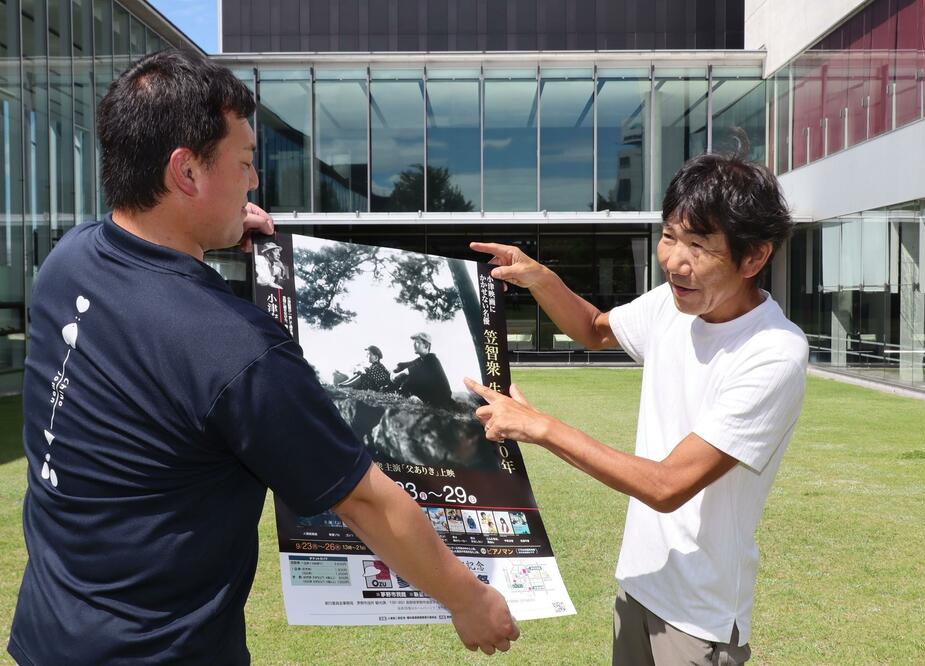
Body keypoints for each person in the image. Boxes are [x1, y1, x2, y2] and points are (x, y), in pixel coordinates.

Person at [8, 49, 518, 665]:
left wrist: (214, 234)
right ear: (186, 173)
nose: (254, 182)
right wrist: (468, 599)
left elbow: (152, 300)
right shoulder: (235, 349)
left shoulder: (70, 259)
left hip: (48, 634)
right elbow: (362, 500)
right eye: (246, 163)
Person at [466, 152, 808, 665]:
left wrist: (542, 428)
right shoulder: (673, 304)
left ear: (753, 257)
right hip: (640, 583)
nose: (674, 261)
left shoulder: (773, 351)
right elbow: (594, 328)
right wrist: (539, 278)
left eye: (697, 245)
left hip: (699, 615)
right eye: (670, 236)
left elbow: (667, 485)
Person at [392, 332, 454, 408]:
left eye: (417, 343)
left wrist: (398, 375)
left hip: (441, 400)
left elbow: (410, 370)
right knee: (409, 377)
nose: (414, 345)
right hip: (431, 398)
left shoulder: (432, 359)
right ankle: (403, 393)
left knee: (411, 377)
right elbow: (403, 365)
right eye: (414, 342)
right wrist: (395, 369)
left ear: (426, 345)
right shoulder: (420, 360)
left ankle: (406, 394)